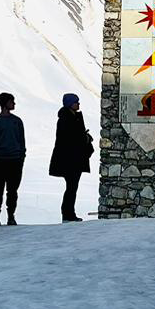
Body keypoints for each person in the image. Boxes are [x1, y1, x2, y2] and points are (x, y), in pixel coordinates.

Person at [48, 94, 93, 222]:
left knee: (72, 187)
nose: (78, 104)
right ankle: (68, 213)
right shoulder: (66, 120)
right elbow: (70, 139)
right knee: (72, 187)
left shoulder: (71, 118)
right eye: (76, 102)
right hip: (70, 159)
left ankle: (69, 213)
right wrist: (84, 138)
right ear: (70, 104)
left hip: (73, 158)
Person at [0, 92, 26, 227]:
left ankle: (10, 216)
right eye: (12, 101)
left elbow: (22, 141)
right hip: (1, 161)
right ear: (5, 103)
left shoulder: (16, 121)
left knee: (11, 191)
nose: (14, 104)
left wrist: (21, 156)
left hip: (14, 160)